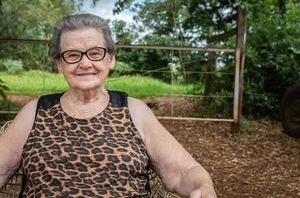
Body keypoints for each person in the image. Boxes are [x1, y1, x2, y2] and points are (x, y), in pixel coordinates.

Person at [0, 14, 216, 198]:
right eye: (73, 55)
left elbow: (184, 172)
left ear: (111, 58)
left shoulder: (134, 110)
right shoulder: (35, 111)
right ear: (59, 64)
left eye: (95, 53)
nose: (85, 63)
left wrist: (202, 187)